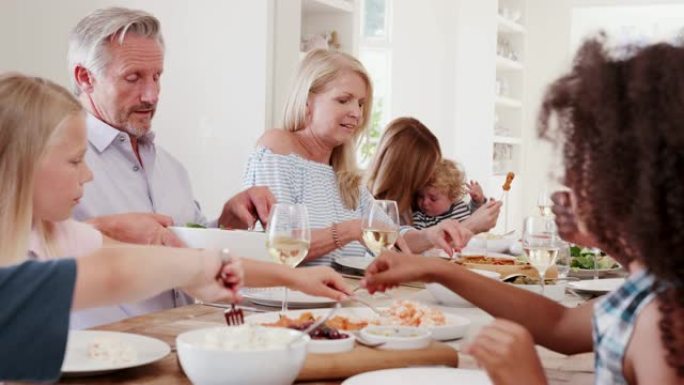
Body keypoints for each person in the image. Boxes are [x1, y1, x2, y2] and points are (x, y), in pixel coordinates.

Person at [362, 38, 684, 384]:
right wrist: (436, 271)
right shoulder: (653, 286)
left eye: (585, 161)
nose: (569, 175)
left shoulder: (663, 322)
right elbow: (560, 325)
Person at [0, 73, 352, 330]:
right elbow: (130, 271)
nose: (88, 175)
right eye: (75, 161)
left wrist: (293, 279)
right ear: (22, 162)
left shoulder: (54, 235)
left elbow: (187, 262)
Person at [64, 6, 275, 321]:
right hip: (100, 355)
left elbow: (187, 245)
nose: (151, 95)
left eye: (157, 76)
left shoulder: (171, 168)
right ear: (85, 77)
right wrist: (102, 231)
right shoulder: (48, 158)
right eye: (133, 78)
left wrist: (226, 223)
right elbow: (19, 255)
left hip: (178, 346)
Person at [243, 50, 471, 266]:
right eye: (343, 100)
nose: (357, 113)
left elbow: (390, 234)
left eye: (360, 103)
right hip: (287, 302)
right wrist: (351, 230)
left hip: (339, 300)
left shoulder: (344, 174)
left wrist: (430, 235)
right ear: (307, 101)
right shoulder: (278, 147)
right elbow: (280, 243)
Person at [366, 116, 502, 233]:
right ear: (408, 174)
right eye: (426, 170)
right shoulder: (372, 208)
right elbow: (403, 253)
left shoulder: (409, 204)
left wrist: (480, 208)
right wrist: (470, 226)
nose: (429, 176)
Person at [412, 158, 488, 229]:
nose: (425, 202)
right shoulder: (419, 218)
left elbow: (477, 218)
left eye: (433, 199)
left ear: (452, 196)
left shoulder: (460, 207)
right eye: (421, 196)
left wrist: (478, 201)